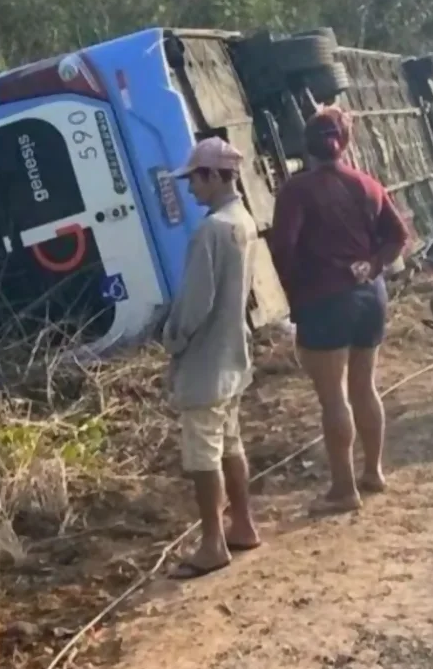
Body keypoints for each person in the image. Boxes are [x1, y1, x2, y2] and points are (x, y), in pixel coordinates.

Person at [269, 107, 409, 513]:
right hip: (370, 296)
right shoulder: (367, 184)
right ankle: (374, 472)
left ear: (306, 145)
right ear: (344, 143)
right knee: (365, 386)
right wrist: (374, 265)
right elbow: (398, 236)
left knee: (333, 398)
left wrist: (298, 293)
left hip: (324, 299)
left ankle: (343, 490)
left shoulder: (297, 190)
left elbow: (283, 249)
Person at [161, 136, 261, 578]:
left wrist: (173, 338)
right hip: (233, 355)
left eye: (196, 178)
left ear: (216, 176)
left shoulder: (211, 230)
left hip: (205, 362)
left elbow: (196, 303)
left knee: (203, 456)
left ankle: (212, 543)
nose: (191, 187)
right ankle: (242, 524)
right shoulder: (243, 221)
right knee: (231, 444)